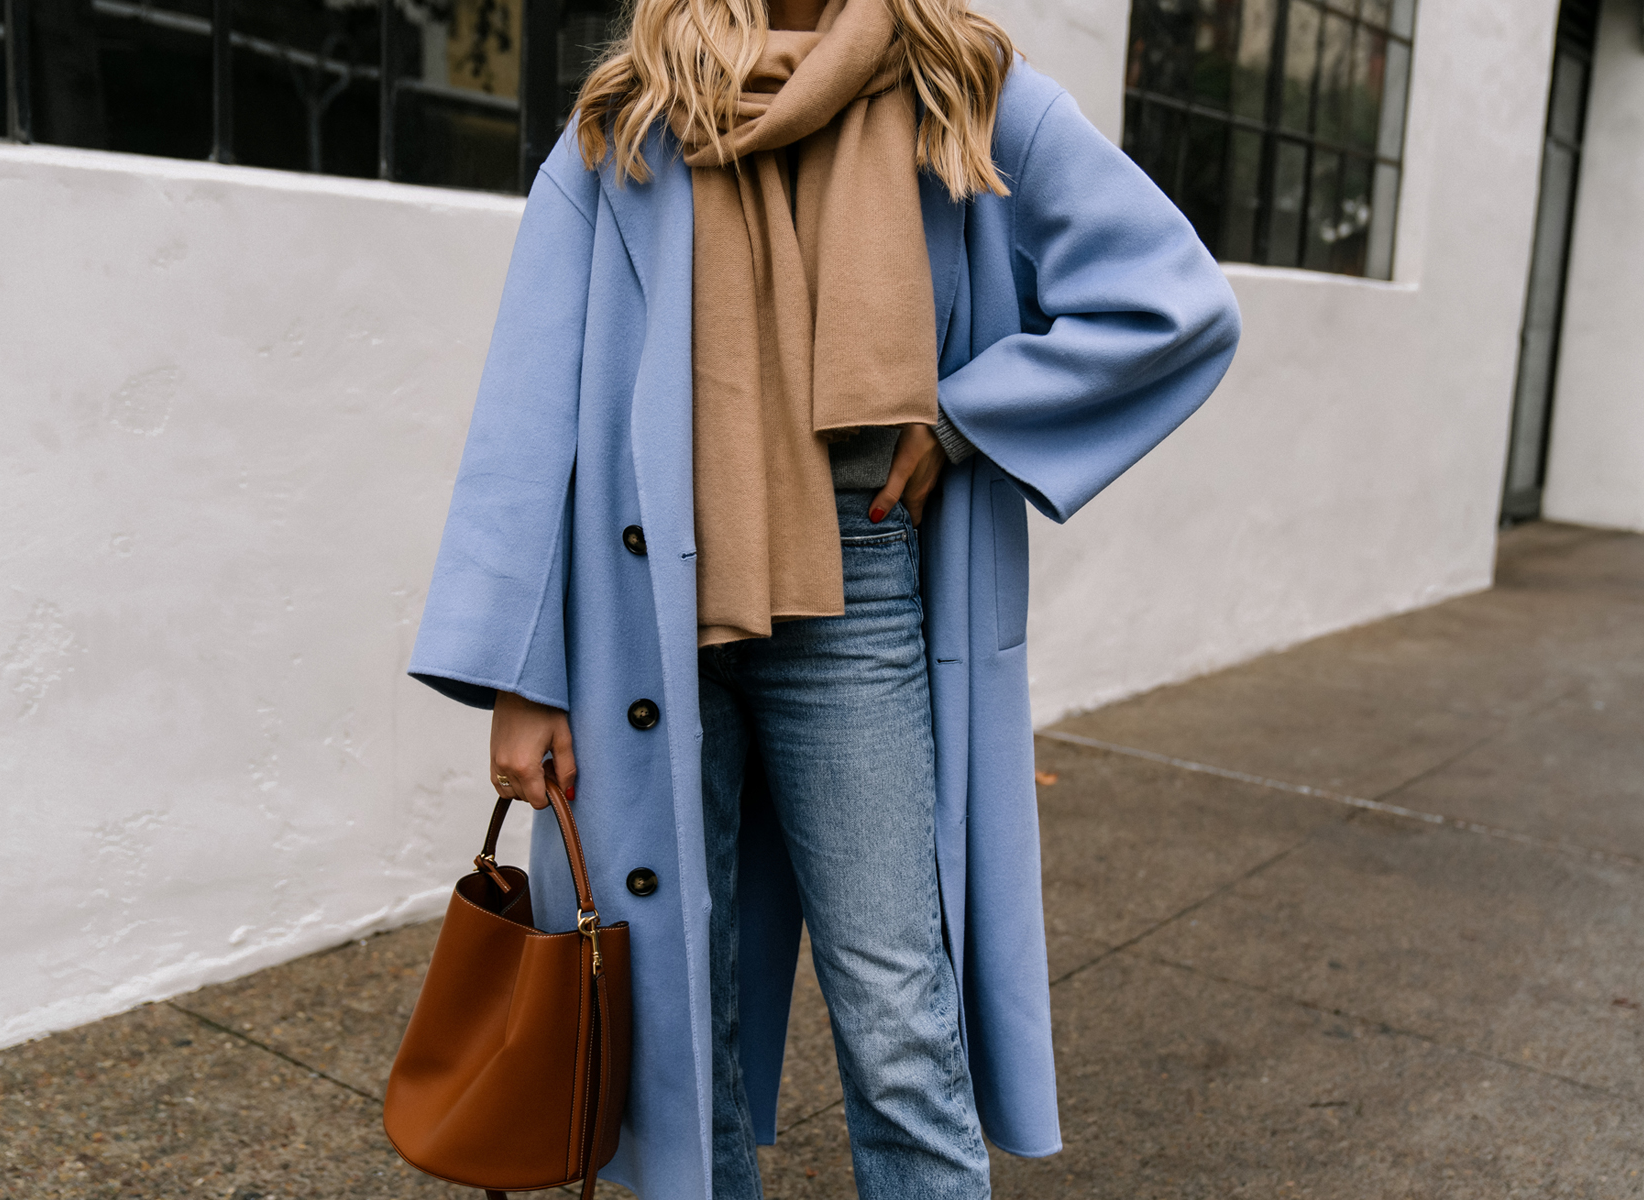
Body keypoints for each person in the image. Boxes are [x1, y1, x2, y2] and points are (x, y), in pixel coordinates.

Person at [405, 0, 1241, 1189]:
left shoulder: (966, 90)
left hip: (860, 582)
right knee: (672, 1015)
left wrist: (965, 418)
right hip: (644, 609)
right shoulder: (632, 116)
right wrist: (520, 678)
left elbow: (1175, 303)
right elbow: (528, 414)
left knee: (900, 1018)